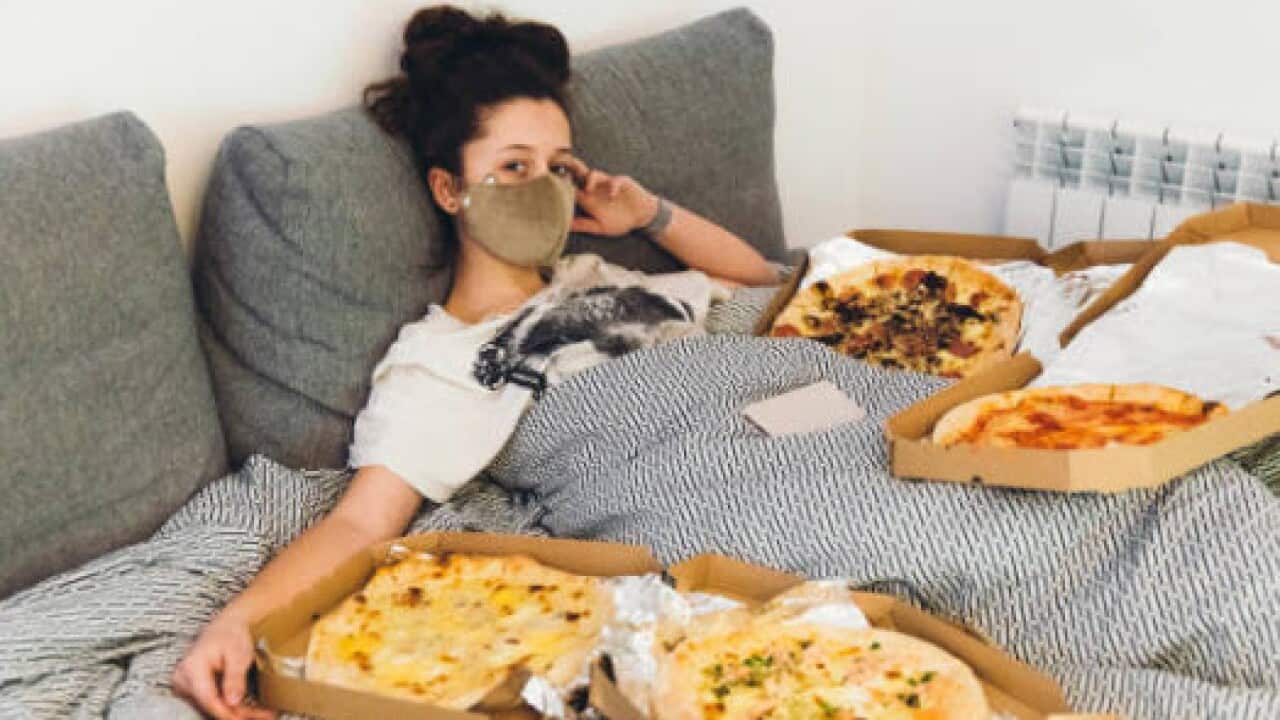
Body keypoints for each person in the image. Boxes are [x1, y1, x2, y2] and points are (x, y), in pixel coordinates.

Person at [170, 5, 778, 718]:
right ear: (449, 189)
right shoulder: (444, 357)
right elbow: (362, 525)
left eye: (559, 168)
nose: (542, 187)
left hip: (769, 426)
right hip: (686, 485)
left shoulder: (603, 278)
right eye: (513, 166)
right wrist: (235, 624)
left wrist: (646, 216)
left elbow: (766, 283)